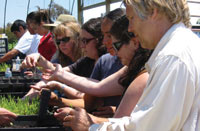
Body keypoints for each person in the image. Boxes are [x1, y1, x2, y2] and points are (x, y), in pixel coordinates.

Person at [55, 0, 200, 130]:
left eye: (132, 18)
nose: (130, 28)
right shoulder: (183, 46)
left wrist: (92, 127)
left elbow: (147, 127)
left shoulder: (172, 57)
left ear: (153, 12)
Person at [22, 17, 107, 98]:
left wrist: (60, 87)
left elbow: (89, 95)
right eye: (58, 41)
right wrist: (38, 58)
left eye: (65, 39)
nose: (61, 44)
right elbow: (57, 72)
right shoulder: (85, 61)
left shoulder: (106, 62)